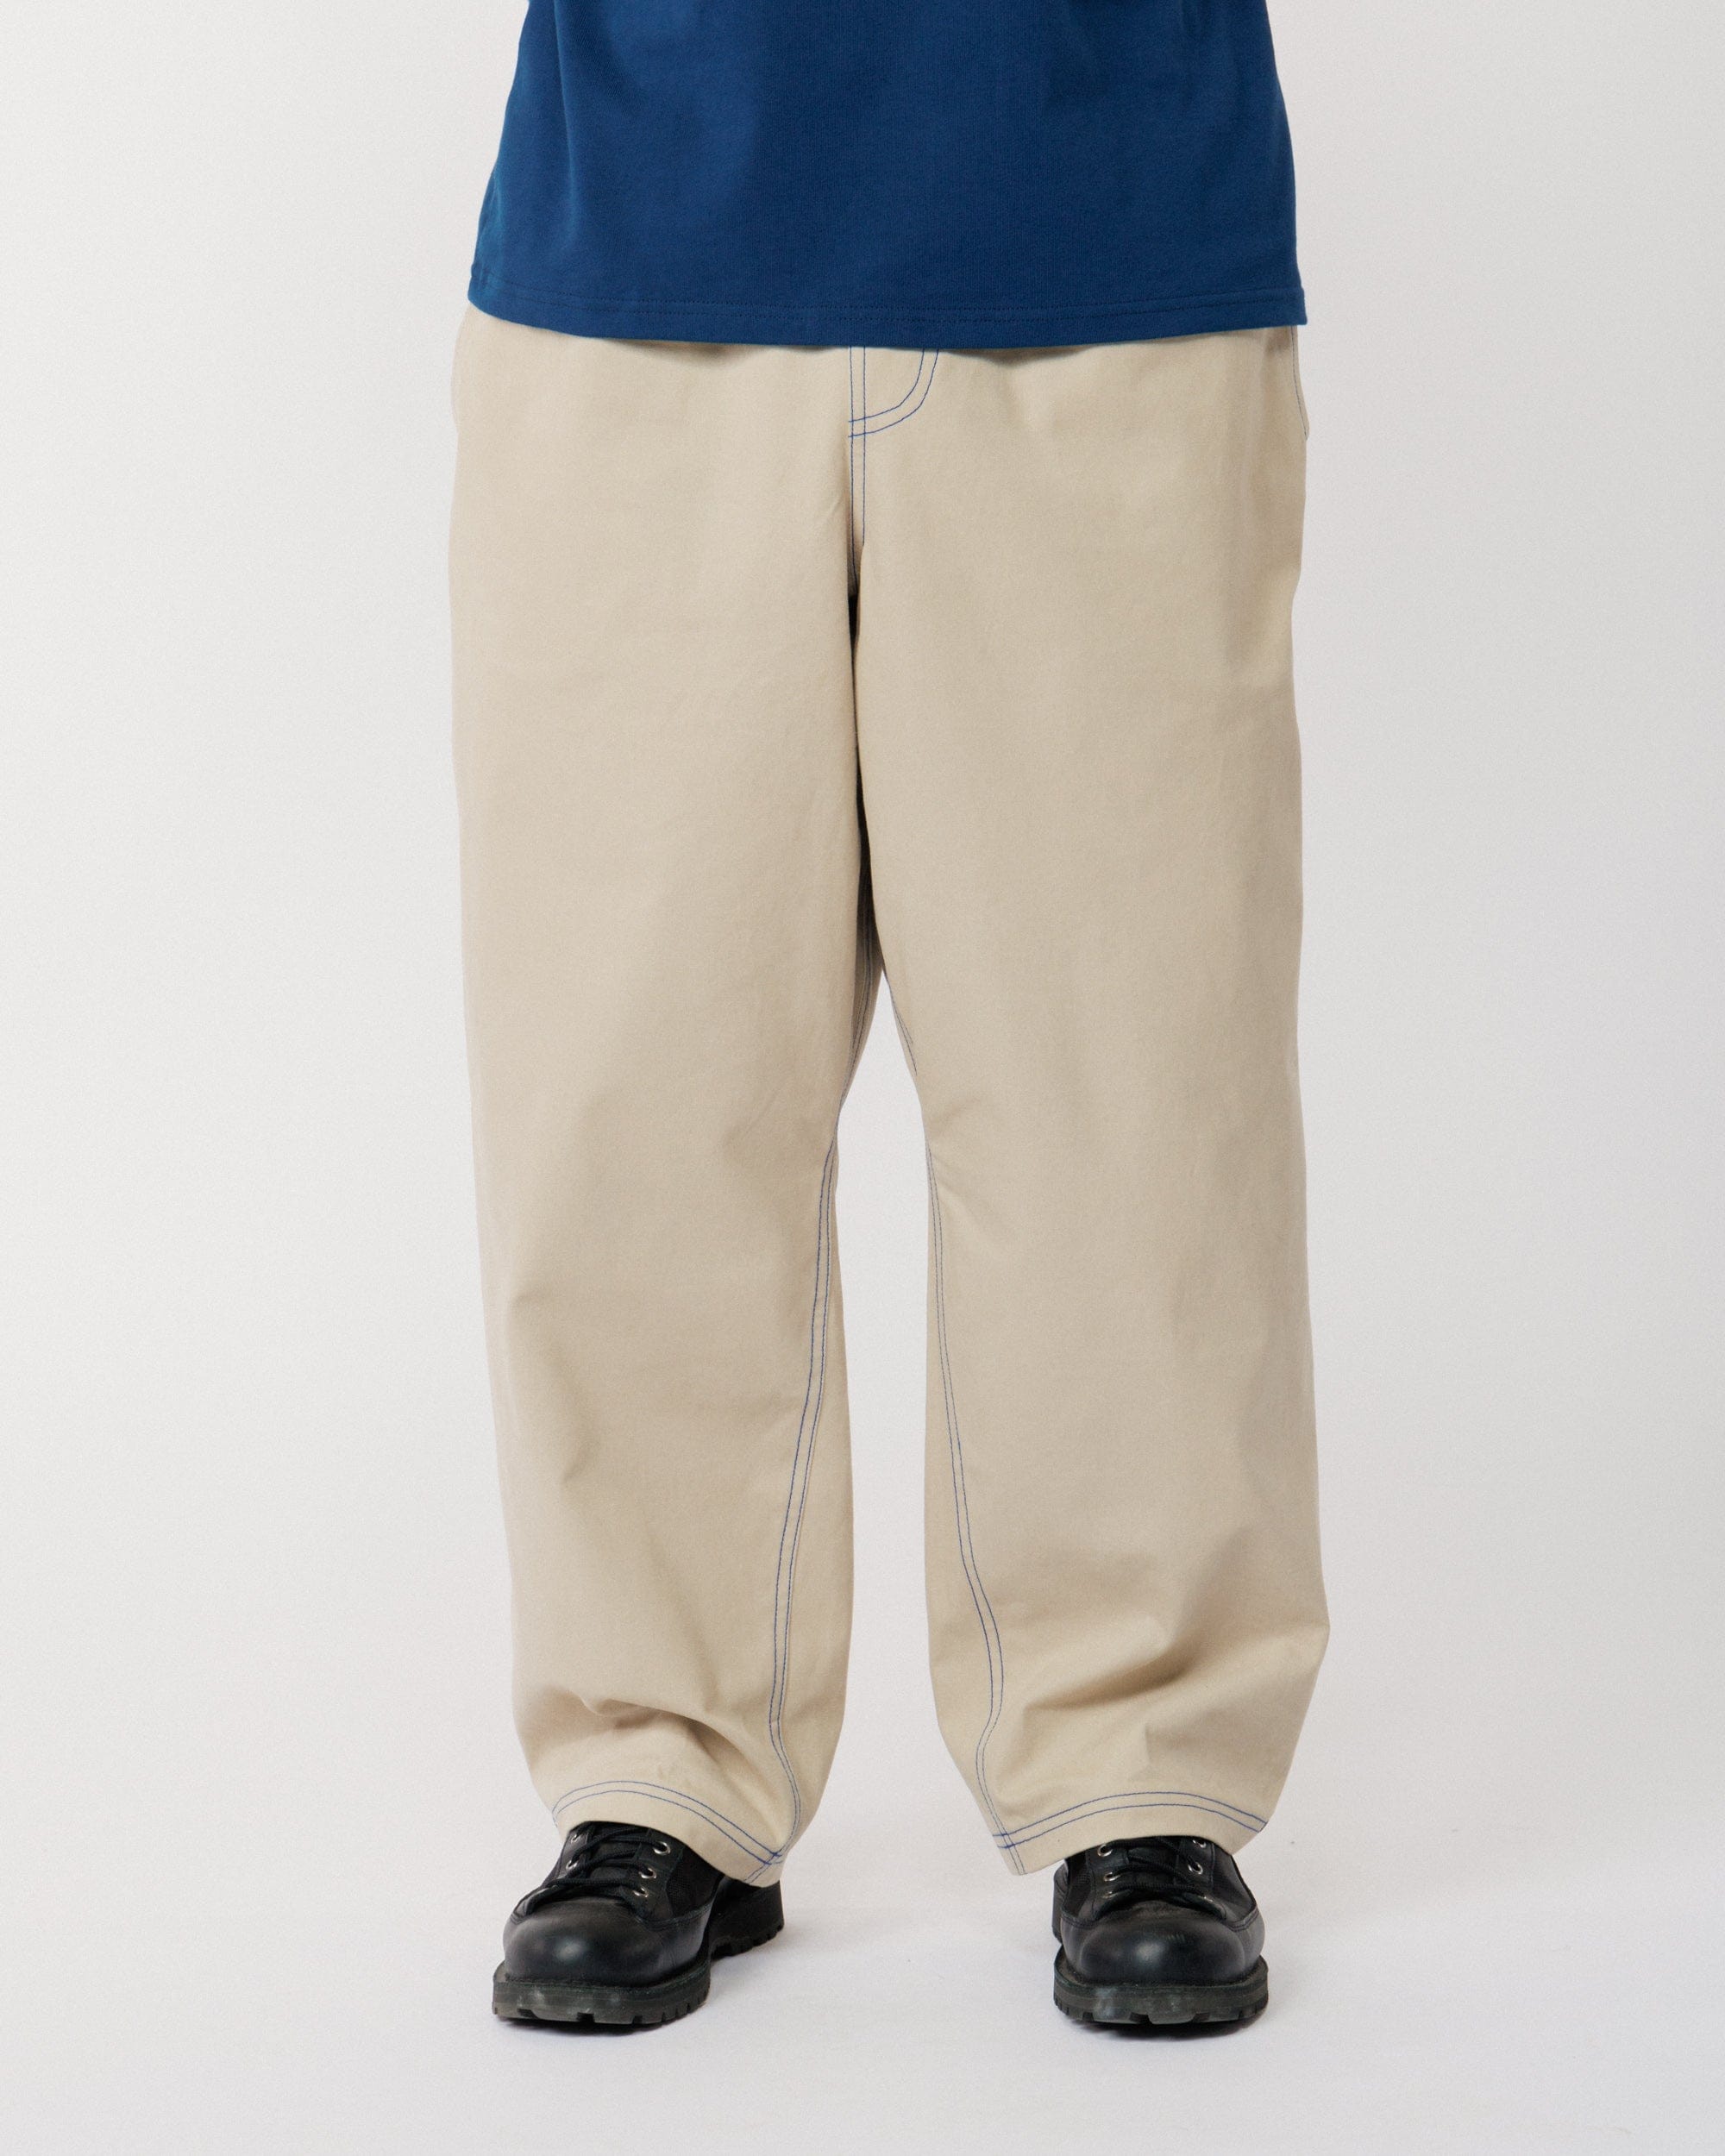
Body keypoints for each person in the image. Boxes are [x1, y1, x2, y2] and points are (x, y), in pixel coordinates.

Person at [450, 0, 1327, 2032]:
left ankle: (1138, 1762)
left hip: (1106, 248)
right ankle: (656, 1764)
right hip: (641, 250)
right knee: (631, 1081)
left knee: (1129, 1076)